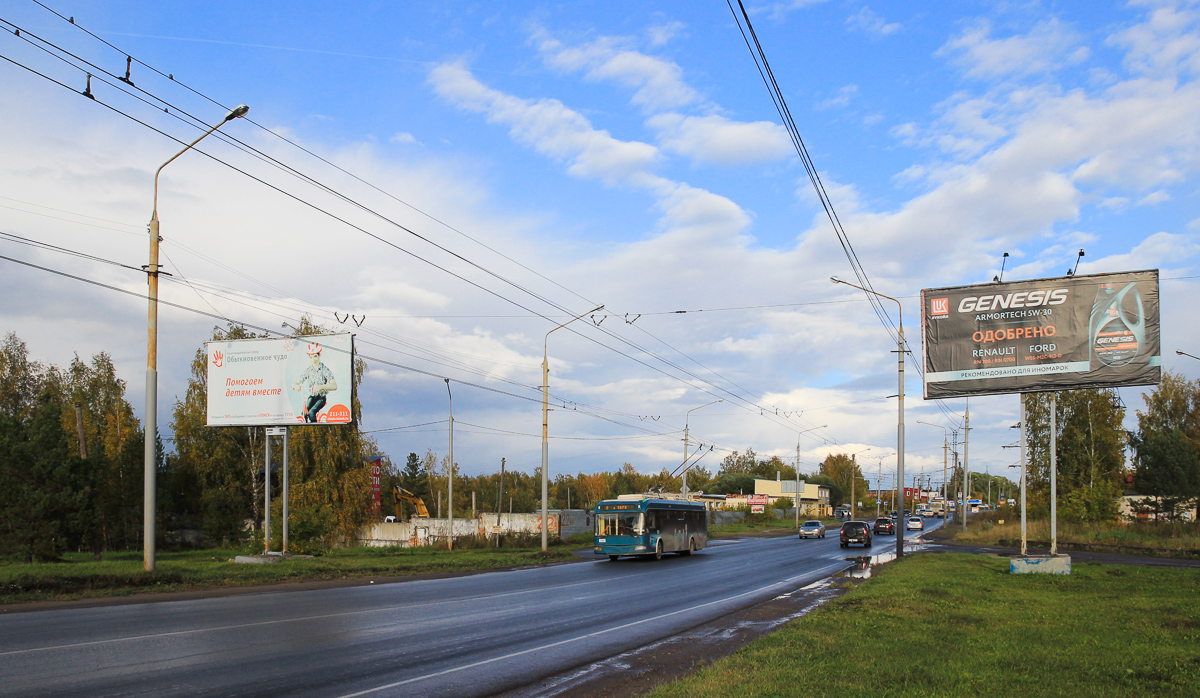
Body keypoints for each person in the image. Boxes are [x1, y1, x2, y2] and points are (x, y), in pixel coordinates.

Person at [293, 342, 338, 423]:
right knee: (304, 413)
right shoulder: (308, 370)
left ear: (319, 355)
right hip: (312, 396)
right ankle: (305, 431)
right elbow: (296, 382)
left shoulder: (325, 370)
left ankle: (315, 428)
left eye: (315, 356)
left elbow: (334, 386)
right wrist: (296, 386)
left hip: (321, 398)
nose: (313, 360)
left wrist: (321, 386)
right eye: (311, 357)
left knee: (311, 413)